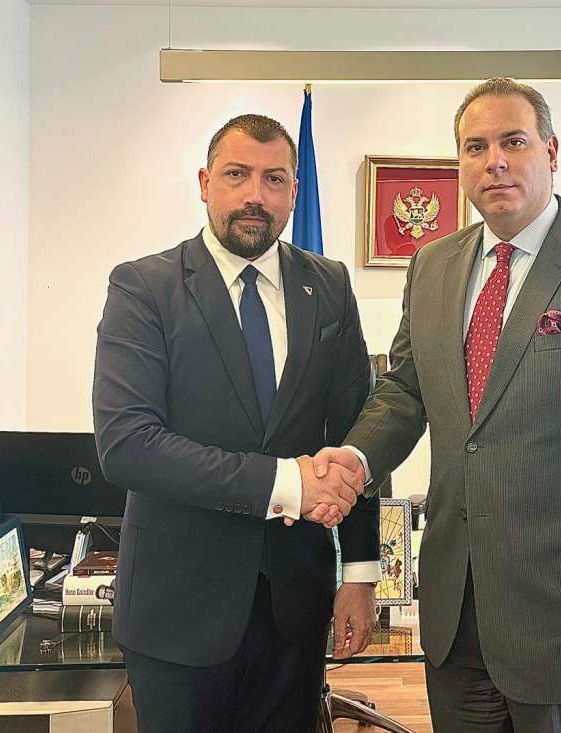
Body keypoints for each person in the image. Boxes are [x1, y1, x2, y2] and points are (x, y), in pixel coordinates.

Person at [314, 78, 561, 732]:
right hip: (457, 617)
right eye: (476, 146)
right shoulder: (432, 265)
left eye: (513, 142)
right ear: (460, 162)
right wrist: (355, 459)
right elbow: (407, 389)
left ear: (551, 151)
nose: (494, 160)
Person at [93, 114, 379, 733]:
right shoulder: (144, 288)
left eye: (274, 179)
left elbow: (356, 435)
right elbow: (127, 445)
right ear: (204, 183)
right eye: (236, 175)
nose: (256, 195)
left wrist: (359, 573)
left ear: (294, 192)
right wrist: (286, 483)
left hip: (295, 608)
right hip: (177, 610)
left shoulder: (329, 286)